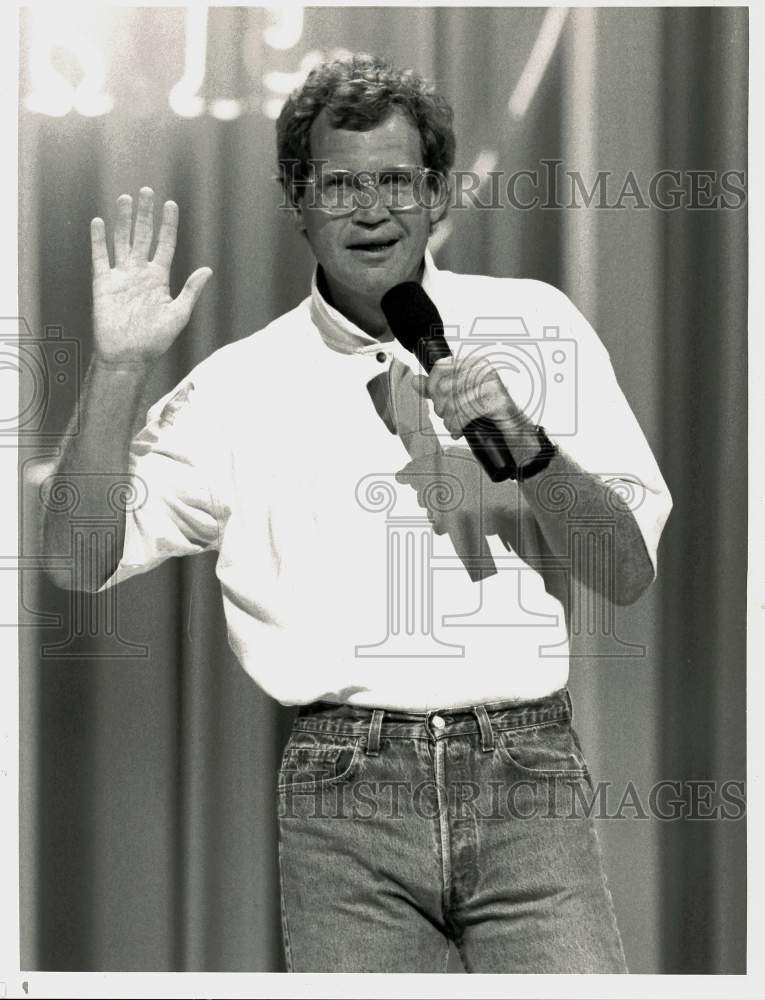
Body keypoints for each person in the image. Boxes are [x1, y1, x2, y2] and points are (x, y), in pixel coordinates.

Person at [43, 54, 672, 973]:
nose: (371, 209)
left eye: (393, 180)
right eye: (340, 184)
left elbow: (625, 572)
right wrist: (118, 368)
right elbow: (74, 559)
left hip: (526, 773)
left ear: (436, 194)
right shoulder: (237, 386)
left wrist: (522, 443)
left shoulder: (534, 323)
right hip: (345, 793)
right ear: (297, 199)